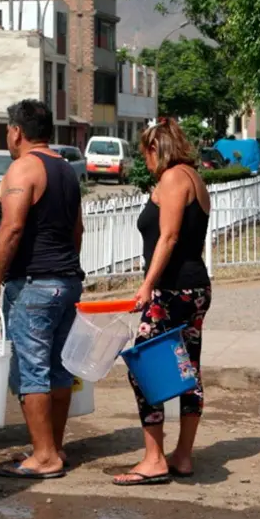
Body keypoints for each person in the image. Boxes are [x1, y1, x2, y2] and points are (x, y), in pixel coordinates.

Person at [0, 99, 84, 480]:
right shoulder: (67, 171)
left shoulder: (23, 168)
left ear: (17, 131)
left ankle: (43, 456)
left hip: (35, 285)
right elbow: (78, 230)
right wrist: (68, 270)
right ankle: (53, 448)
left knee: (30, 370)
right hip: (66, 281)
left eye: (8, 130)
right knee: (57, 368)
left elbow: (12, 228)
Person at [112, 118, 212, 486]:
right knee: (187, 369)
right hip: (195, 287)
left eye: (146, 156)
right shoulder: (195, 178)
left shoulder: (173, 179)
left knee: (145, 368)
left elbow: (168, 238)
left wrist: (147, 285)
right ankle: (182, 456)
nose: (147, 164)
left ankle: (154, 459)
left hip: (171, 291)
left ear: (156, 149)